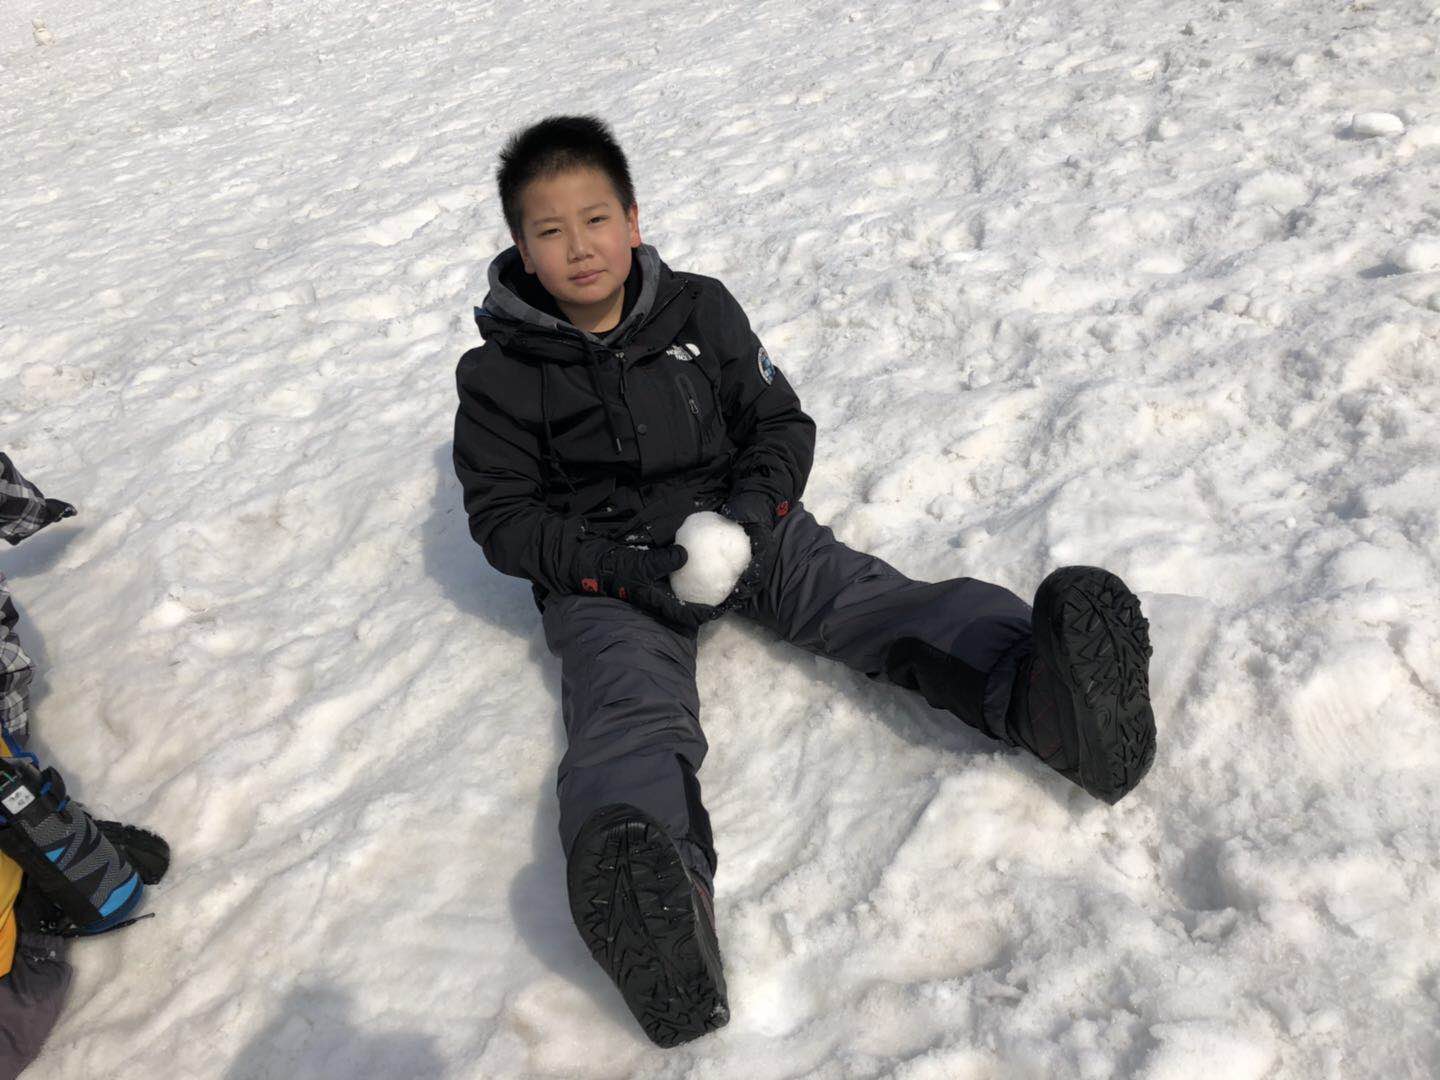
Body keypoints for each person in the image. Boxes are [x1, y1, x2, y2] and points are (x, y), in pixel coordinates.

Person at [452, 115, 1156, 1047]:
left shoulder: (699, 311)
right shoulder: (500, 375)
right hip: (609, 575)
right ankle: (652, 888)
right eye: (550, 230)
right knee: (628, 708)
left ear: (633, 220)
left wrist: (751, 518)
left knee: (867, 600)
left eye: (595, 219)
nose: (578, 247)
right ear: (520, 247)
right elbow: (505, 519)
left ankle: (1040, 689)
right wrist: (620, 570)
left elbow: (779, 423)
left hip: (744, 528)